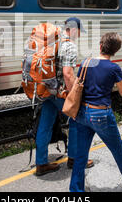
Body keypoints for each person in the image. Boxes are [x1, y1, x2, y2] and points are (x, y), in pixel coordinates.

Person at [69, 32, 122, 192]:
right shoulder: (114, 68)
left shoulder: (86, 62)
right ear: (115, 51)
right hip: (101, 115)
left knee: (80, 155)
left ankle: (76, 190)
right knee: (117, 149)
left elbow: (77, 85)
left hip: (82, 113)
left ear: (100, 46)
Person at [35, 17, 94, 176]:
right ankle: (74, 159)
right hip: (60, 93)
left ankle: (41, 163)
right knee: (76, 122)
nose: (80, 36)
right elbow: (68, 74)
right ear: (74, 30)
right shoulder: (69, 46)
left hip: (47, 90)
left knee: (45, 125)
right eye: (80, 32)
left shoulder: (52, 42)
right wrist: (74, 96)